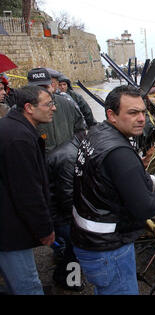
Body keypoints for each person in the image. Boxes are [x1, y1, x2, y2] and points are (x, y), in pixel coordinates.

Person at [71, 85, 155, 295]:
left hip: (86, 239)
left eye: (143, 112)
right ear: (111, 115)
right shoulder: (119, 153)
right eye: (132, 113)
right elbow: (146, 208)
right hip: (108, 250)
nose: (142, 118)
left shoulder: (97, 133)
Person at [0, 85, 56, 295]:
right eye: (48, 104)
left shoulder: (12, 127)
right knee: (28, 286)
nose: (53, 108)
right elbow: (27, 192)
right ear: (29, 108)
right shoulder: (19, 138)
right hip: (9, 230)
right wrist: (44, 229)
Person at [47, 132, 86, 292]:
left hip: (55, 210)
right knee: (77, 244)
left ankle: (63, 273)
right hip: (58, 215)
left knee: (73, 245)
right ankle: (69, 280)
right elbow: (68, 196)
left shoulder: (71, 149)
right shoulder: (70, 157)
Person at [27, 68, 86, 152]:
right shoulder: (21, 111)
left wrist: (72, 150)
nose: (41, 92)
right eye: (37, 88)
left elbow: (80, 130)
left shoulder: (67, 104)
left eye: (45, 87)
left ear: (52, 86)